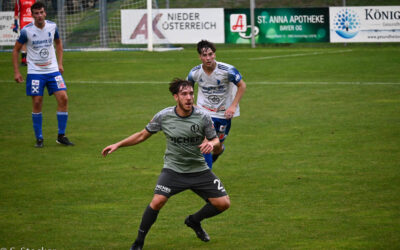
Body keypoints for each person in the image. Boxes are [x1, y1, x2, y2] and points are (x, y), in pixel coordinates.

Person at [102, 79, 230, 250]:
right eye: (184, 94)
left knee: (223, 204)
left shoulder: (203, 117)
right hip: (173, 170)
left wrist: (212, 144)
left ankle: (193, 221)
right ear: (175, 97)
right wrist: (117, 144)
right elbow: (141, 135)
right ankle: (139, 242)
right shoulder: (164, 116)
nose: (189, 98)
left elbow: (216, 142)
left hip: (198, 170)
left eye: (191, 93)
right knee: (157, 201)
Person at [12, 1, 74, 148]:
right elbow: (15, 50)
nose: (39, 16)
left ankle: (61, 136)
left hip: (52, 71)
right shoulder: (26, 31)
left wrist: (59, 63)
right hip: (35, 72)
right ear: (32, 15)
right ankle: (39, 138)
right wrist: (16, 71)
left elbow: (58, 43)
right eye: (36, 13)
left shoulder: (52, 26)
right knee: (37, 102)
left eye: (41, 12)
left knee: (63, 98)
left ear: (45, 13)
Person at [187, 40, 246, 169]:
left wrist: (233, 106)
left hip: (223, 113)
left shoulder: (227, 71)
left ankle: (216, 154)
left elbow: (242, 86)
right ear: (200, 57)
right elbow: (187, 89)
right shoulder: (194, 72)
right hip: (204, 112)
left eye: (210, 54)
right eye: (204, 55)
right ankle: (207, 175)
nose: (208, 58)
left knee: (217, 146)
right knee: (206, 140)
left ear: (214, 54)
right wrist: (192, 104)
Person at [13, 0, 36, 66]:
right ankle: (24, 59)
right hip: (23, 22)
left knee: (33, 39)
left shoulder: (33, 0)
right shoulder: (19, 0)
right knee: (24, 41)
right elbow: (16, 12)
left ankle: (34, 59)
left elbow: (36, 10)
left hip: (32, 22)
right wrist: (15, 24)